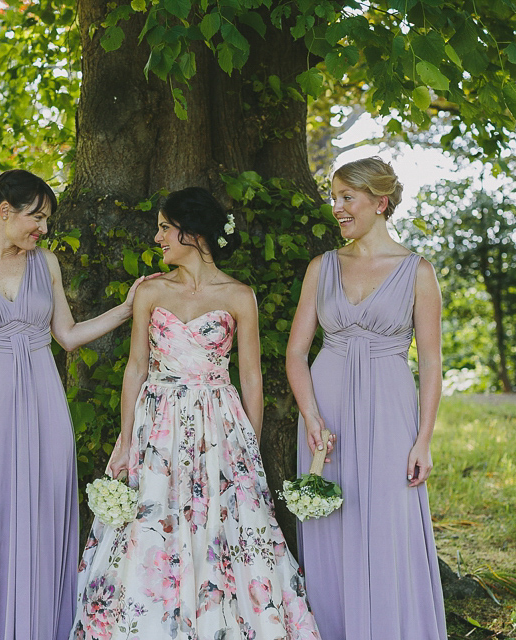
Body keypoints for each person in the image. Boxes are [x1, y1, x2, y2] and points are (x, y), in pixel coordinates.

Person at [72, 187, 321, 639]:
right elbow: (135, 367)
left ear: (192, 232)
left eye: (165, 227)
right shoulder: (150, 291)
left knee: (223, 522)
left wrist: (250, 445)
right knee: (153, 518)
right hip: (159, 422)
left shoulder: (239, 295)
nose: (157, 237)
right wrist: (126, 440)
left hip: (219, 421)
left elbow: (250, 377)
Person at [0, 169, 148, 640]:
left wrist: (127, 309)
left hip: (46, 406)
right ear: (5, 212)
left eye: (46, 220)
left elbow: (66, 336)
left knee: (47, 514)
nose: (43, 229)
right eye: (38, 217)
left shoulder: (45, 264)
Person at [285, 157, 447, 640]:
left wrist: (424, 440)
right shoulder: (323, 267)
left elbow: (434, 364)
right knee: (331, 521)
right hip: (327, 408)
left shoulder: (418, 271)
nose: (337, 208)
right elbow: (296, 353)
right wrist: (311, 417)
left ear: (380, 202)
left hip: (390, 408)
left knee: (387, 524)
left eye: (346, 198)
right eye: (333, 198)